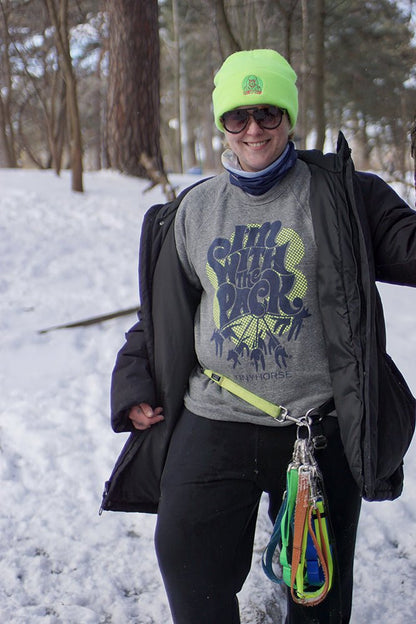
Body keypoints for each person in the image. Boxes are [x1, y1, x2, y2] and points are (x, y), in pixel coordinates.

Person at [101, 49, 416, 623]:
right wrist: (134, 379)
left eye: (268, 113)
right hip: (217, 414)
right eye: (237, 117)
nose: (253, 130)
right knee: (185, 558)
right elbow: (162, 316)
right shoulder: (193, 211)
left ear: (289, 118)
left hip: (318, 424)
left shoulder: (344, 195)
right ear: (222, 122)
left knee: (317, 591)